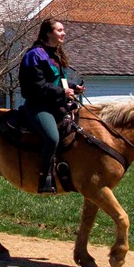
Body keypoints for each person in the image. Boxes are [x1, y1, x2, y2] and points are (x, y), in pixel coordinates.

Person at [18, 19, 85, 194]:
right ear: (48, 33)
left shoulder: (54, 54)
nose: (64, 33)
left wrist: (72, 87)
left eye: (63, 30)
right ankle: (44, 176)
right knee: (52, 138)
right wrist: (63, 93)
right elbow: (37, 86)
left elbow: (56, 80)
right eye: (60, 30)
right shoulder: (35, 55)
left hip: (57, 105)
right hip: (38, 106)